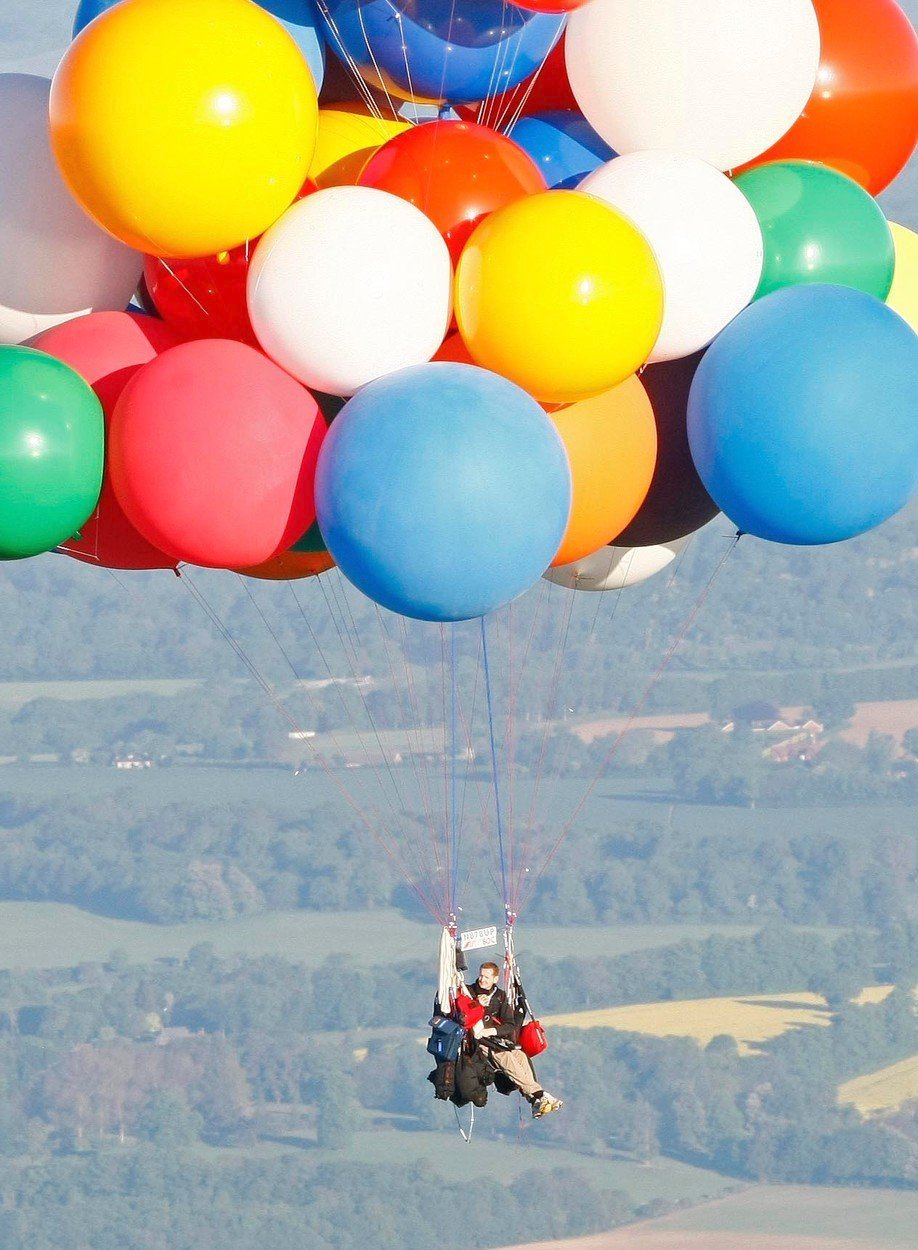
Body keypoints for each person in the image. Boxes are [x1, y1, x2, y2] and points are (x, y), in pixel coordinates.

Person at [467, 961, 563, 1118]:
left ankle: (534, 1100)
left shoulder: (499, 996)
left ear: (495, 979)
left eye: (486, 977)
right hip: (477, 1041)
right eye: (480, 975)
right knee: (507, 1059)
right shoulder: (469, 992)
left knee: (519, 1056)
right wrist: (477, 1005)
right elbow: (464, 1015)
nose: (482, 980)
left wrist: (492, 1030)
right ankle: (539, 1095)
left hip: (494, 1038)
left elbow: (509, 1024)